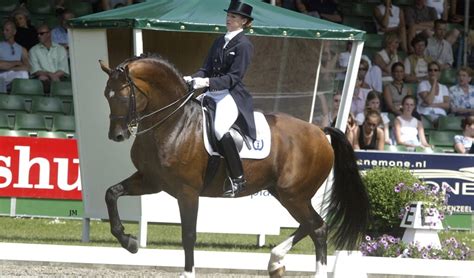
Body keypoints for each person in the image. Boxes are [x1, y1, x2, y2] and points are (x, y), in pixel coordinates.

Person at [183, 1, 255, 197]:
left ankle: (238, 179)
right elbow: (205, 68)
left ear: (244, 21)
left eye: (233, 17)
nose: (229, 19)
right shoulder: (218, 41)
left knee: (219, 129)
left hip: (230, 95)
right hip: (212, 92)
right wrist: (193, 77)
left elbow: (234, 77)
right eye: (228, 15)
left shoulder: (244, 45)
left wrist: (205, 82)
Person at [29, 24, 70, 94]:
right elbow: (36, 71)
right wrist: (50, 75)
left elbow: (63, 70)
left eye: (41, 34)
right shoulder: (33, 50)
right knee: (42, 78)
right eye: (38, 34)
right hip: (42, 80)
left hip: (59, 79)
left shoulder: (60, 49)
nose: (39, 36)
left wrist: (54, 77)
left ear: (49, 34)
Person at [0, 20, 29, 92]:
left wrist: (9, 68)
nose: (4, 32)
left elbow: (27, 67)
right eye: (3, 30)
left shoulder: (22, 49)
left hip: (12, 75)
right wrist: (17, 62)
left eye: (7, 30)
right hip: (1, 75)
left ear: (14, 32)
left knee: (24, 73)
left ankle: (19, 99)